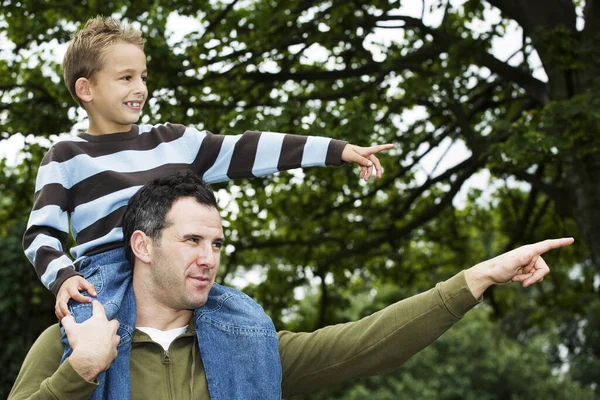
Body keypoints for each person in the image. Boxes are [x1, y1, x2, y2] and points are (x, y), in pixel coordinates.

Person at [21, 16, 393, 399]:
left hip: (172, 268)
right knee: (87, 339)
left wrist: (336, 150)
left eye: (144, 77)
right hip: (105, 278)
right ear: (86, 88)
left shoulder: (173, 141)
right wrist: (63, 277)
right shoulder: (66, 157)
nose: (140, 88)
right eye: (126, 78)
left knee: (249, 321)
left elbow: (248, 148)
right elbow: (40, 233)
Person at [10, 171, 575, 400]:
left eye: (217, 244)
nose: (209, 258)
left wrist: (477, 278)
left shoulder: (248, 344)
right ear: (142, 246)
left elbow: (364, 344)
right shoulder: (68, 345)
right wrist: (77, 375)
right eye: (192, 242)